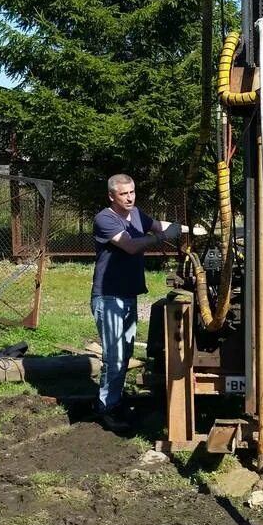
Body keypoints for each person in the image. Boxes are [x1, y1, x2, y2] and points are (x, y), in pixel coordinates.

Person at [91, 173, 182, 431]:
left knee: (126, 352)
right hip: (108, 297)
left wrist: (185, 228)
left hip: (128, 294)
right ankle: (107, 408)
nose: (130, 197)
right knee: (115, 356)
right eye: (124, 194)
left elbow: (157, 224)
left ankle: (116, 401)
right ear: (112, 196)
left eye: (132, 192)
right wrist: (164, 237)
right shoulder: (105, 218)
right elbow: (130, 246)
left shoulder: (137, 214)